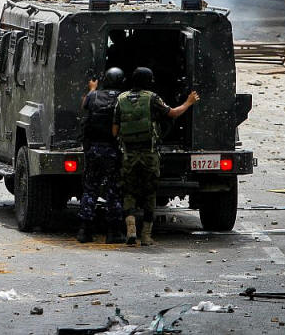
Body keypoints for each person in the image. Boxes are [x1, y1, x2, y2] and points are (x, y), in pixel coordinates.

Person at [112, 67, 199, 246]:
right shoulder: (152, 98)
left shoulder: (120, 100)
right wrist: (189, 102)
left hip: (128, 155)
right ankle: (145, 236)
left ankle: (130, 230)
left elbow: (115, 131)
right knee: (150, 193)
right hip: (149, 155)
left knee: (128, 192)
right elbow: (173, 113)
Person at [78, 67, 126, 244]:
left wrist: (92, 88)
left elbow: (84, 106)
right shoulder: (123, 98)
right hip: (113, 150)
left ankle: (84, 230)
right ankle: (113, 232)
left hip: (93, 149)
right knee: (113, 190)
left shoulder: (94, 96)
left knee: (90, 189)